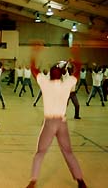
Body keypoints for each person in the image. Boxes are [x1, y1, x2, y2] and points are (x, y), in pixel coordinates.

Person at [26, 42, 87, 188]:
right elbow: (78, 70)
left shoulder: (45, 83)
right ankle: (80, 180)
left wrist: (35, 53)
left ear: (53, 73)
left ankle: (33, 181)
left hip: (49, 123)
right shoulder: (67, 84)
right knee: (68, 152)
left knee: (40, 152)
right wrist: (76, 56)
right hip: (62, 123)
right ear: (61, 74)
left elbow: (33, 69)